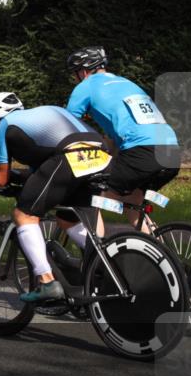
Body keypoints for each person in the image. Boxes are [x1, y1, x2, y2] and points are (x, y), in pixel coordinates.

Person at [0, 92, 110, 303]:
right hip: (101, 154)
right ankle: (105, 263)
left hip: (70, 156)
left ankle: (46, 282)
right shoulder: (40, 118)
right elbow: (41, 173)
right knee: (67, 219)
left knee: (24, 215)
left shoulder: (4, 125)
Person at [65, 47, 180, 235]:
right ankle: (163, 257)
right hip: (171, 152)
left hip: (143, 151)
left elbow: (67, 126)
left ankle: (97, 257)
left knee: (88, 199)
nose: (75, 79)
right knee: (131, 202)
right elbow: (115, 137)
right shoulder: (126, 83)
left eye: (74, 74)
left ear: (83, 72)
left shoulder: (85, 86)